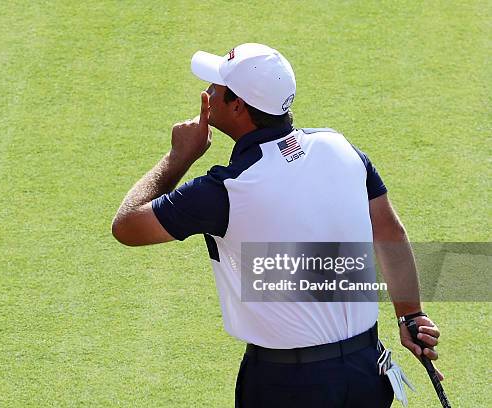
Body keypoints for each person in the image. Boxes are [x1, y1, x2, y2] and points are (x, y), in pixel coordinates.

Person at [112, 43, 443, 407]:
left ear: (237, 106)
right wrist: (410, 314)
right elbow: (389, 233)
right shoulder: (341, 148)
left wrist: (179, 157)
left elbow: (127, 225)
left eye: (215, 89)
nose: (206, 94)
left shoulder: (224, 189)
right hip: (366, 372)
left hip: (286, 384)